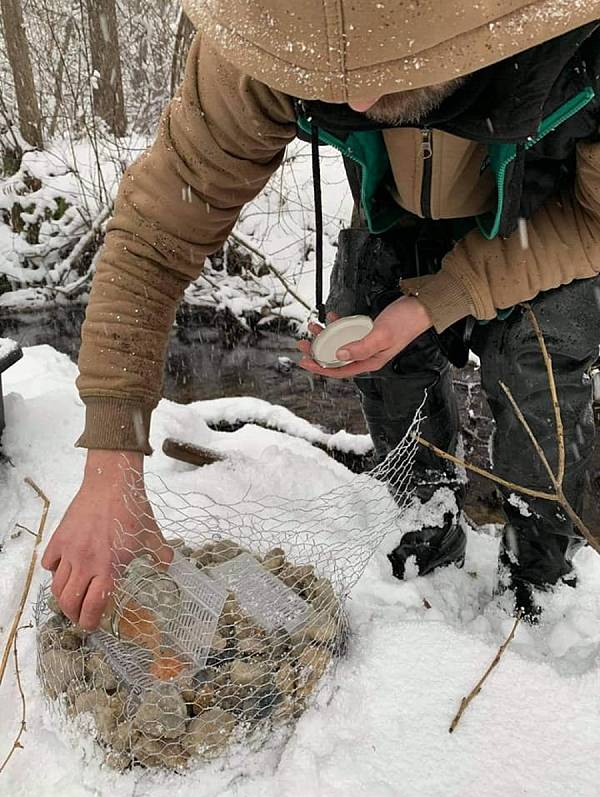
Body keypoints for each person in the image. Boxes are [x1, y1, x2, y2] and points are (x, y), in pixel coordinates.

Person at [42, 1, 600, 629]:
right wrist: (110, 466)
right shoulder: (262, 31)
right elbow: (155, 234)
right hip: (396, 214)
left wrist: (438, 300)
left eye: (391, 68)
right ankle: (426, 531)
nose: (355, 100)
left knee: (537, 374)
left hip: (548, 214)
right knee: (383, 365)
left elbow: (594, 220)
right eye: (326, 79)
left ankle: (542, 581)